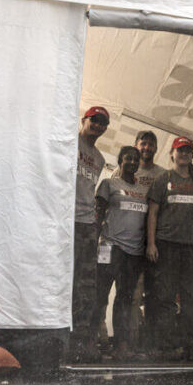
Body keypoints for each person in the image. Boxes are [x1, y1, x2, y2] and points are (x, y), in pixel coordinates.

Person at [146, 137, 193, 360]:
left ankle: (191, 346)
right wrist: (151, 243)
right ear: (171, 154)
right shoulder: (163, 179)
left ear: (192, 156)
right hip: (167, 246)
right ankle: (166, 346)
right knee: (165, 297)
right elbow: (152, 213)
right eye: (179, 150)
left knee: (192, 299)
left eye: (187, 151)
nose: (183, 154)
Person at [93, 146, 148, 360]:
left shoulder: (143, 190)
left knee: (125, 299)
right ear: (120, 161)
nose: (133, 162)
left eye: (136, 159)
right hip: (110, 247)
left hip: (133, 253)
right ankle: (90, 342)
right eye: (128, 158)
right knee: (100, 296)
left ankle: (122, 345)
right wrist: (93, 244)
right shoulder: (109, 184)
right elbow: (97, 215)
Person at [114, 131, 166, 353]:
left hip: (156, 241)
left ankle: (152, 344)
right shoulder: (121, 171)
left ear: (156, 148)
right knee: (131, 295)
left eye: (151, 144)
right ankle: (129, 343)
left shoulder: (163, 174)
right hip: (130, 242)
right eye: (143, 144)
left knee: (156, 295)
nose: (146, 148)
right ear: (135, 146)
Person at [70, 105, 108, 362]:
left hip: (86, 224)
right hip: (63, 222)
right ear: (83, 120)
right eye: (94, 120)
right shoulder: (69, 141)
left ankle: (80, 343)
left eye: (102, 123)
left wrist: (94, 224)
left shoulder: (100, 158)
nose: (97, 125)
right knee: (62, 280)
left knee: (85, 285)